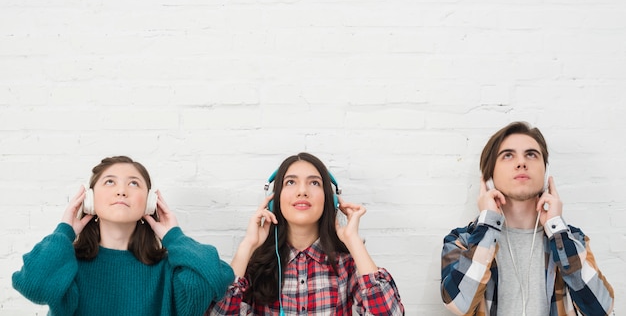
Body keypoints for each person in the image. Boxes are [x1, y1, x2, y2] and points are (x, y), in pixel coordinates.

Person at [13, 155, 234, 316]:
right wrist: (65, 230)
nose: (122, 191)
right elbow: (34, 285)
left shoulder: (166, 270)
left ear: (149, 203)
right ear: (89, 200)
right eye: (110, 181)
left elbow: (214, 280)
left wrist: (174, 237)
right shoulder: (69, 267)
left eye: (134, 183)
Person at [440, 122, 615, 316]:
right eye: (508, 155)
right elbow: (458, 303)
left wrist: (557, 229)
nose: (521, 163)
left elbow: (601, 309)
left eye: (531, 154)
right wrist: (488, 224)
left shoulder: (571, 240)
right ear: (489, 178)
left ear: (545, 172)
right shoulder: (462, 240)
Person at [207, 152, 404, 315]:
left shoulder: (348, 266)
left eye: (314, 183)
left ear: (330, 200)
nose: (302, 191)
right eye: (291, 182)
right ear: (274, 200)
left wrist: (353, 241)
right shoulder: (255, 267)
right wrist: (247, 245)